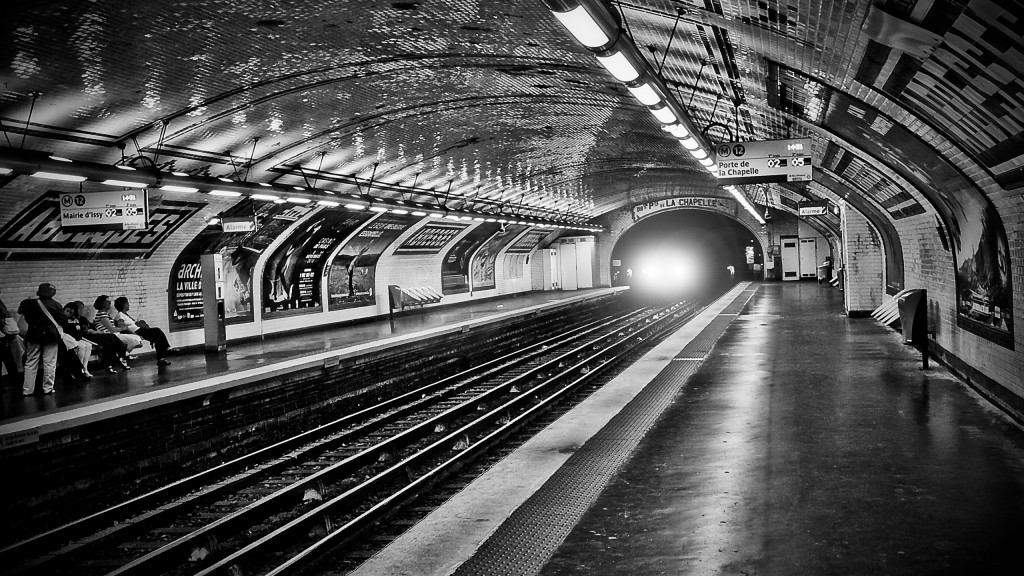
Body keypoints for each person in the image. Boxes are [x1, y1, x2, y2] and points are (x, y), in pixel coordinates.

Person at [18, 282, 67, 395]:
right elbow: (63, 321)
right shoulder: (55, 305)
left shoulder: (29, 303)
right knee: (49, 363)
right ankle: (48, 388)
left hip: (33, 335)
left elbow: (21, 311)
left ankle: (27, 390)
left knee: (30, 363)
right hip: (50, 336)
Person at [113, 296, 177, 366]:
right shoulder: (120, 315)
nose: (129, 305)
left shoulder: (125, 314)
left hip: (139, 330)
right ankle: (166, 349)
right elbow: (121, 325)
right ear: (123, 305)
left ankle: (161, 359)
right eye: (127, 303)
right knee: (157, 331)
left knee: (157, 337)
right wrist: (133, 334)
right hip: (137, 331)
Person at [75, 301, 130, 373]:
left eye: (82, 309)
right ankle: (123, 353)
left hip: (95, 334)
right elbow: (81, 330)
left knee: (110, 343)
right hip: (87, 336)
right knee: (111, 337)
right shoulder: (75, 319)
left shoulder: (83, 319)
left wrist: (95, 330)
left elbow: (91, 325)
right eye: (80, 309)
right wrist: (89, 331)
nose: (81, 311)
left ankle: (108, 365)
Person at [93, 295, 141, 367]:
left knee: (137, 339)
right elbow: (111, 329)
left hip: (114, 335)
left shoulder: (106, 314)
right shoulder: (102, 314)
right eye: (107, 301)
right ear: (102, 303)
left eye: (109, 301)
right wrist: (123, 328)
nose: (109, 303)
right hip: (109, 336)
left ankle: (122, 356)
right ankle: (123, 357)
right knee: (135, 340)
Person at [0, 288, 25, 388]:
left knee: (9, 360)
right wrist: (5, 328)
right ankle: (17, 383)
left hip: (3, 336)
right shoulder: (0, 303)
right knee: (9, 361)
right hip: (2, 336)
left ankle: (14, 382)